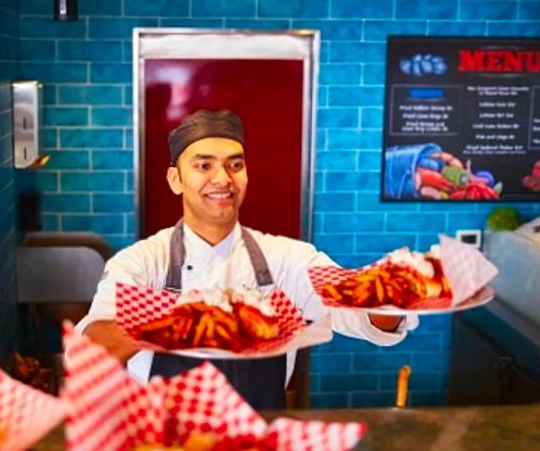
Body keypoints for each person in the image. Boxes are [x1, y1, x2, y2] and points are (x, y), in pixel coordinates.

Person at [76, 109, 417, 409]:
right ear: (175, 179)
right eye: (203, 165)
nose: (222, 178)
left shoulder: (288, 261)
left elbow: (362, 316)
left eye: (234, 164)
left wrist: (390, 293)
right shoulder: (141, 263)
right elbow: (93, 348)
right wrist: (192, 320)